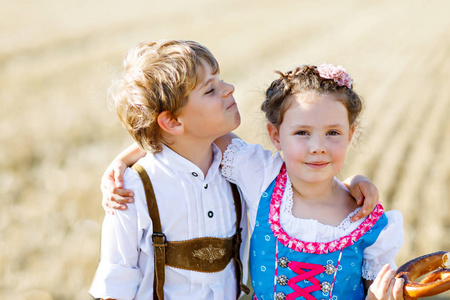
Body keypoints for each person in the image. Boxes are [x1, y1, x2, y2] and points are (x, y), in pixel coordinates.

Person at [94, 38, 380, 300]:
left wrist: (351, 183)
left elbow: (309, 179)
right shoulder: (131, 190)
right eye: (210, 89)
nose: (229, 88)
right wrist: (124, 161)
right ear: (172, 122)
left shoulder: (237, 169)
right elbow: (115, 284)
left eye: (220, 81)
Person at [217, 64, 404, 299]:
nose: (318, 148)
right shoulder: (263, 177)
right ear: (276, 136)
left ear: (350, 135)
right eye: (302, 132)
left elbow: (379, 291)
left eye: (333, 133)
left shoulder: (366, 219)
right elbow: (205, 132)